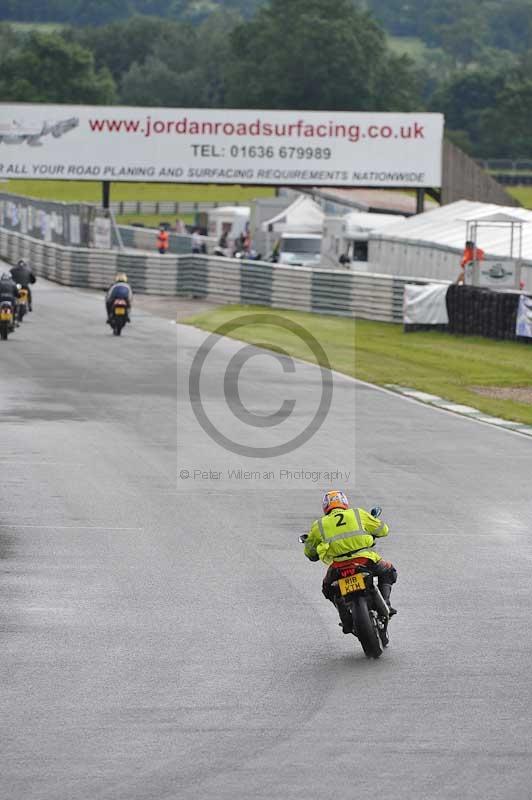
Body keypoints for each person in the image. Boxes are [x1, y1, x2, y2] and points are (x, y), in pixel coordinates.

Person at [303, 490, 397, 634]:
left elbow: (310, 552)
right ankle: (386, 604)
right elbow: (383, 530)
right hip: (365, 560)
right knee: (389, 571)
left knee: (327, 588)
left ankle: (346, 618)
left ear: (325, 507)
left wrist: (314, 551)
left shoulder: (319, 525)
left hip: (338, 566)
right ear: (344, 502)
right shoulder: (357, 513)